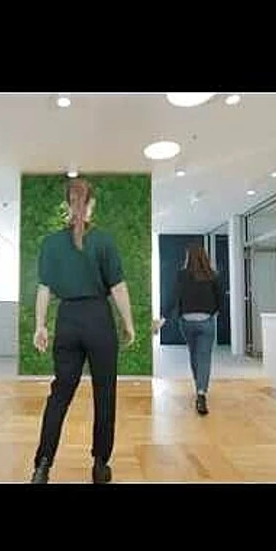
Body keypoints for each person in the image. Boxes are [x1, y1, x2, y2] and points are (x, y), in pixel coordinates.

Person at [30, 177, 135, 484]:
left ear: (67, 205)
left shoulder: (50, 243)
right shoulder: (103, 241)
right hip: (98, 319)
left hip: (67, 320)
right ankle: (100, 465)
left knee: (60, 394)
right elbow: (118, 288)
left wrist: (40, 326)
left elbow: (44, 289)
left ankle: (42, 466)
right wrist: (128, 324)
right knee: (105, 393)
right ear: (91, 205)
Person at [153, 244, 221, 415]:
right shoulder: (212, 275)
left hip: (187, 322)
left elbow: (173, 297)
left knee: (194, 354)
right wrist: (213, 312)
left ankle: (199, 385)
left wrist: (163, 319)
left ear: (188, 257)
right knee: (204, 357)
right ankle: (201, 392)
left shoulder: (182, 275)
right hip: (206, 321)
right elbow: (220, 299)